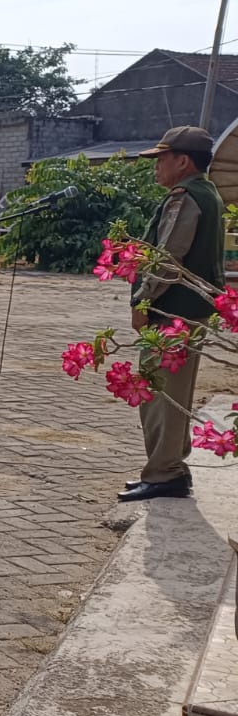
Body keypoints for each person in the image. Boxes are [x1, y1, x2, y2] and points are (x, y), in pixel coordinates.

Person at [119, 126, 224, 502]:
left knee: (160, 396)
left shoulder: (186, 196)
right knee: (170, 395)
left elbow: (167, 259)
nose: (156, 167)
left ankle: (164, 474)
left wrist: (142, 303)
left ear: (182, 161)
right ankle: (170, 469)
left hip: (173, 313)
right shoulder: (207, 193)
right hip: (189, 312)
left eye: (161, 159)